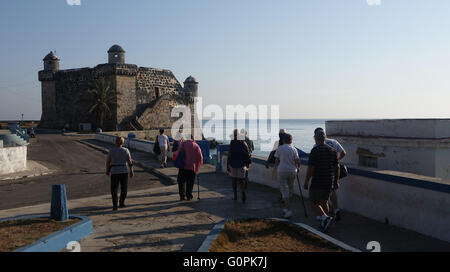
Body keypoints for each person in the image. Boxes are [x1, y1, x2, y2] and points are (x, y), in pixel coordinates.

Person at [304, 129, 339, 232]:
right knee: (324, 201)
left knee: (313, 202)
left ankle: (325, 218)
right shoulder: (332, 150)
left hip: (318, 181)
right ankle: (326, 221)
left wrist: (306, 181)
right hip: (329, 181)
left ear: (315, 138)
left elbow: (311, 168)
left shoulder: (315, 150)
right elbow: (337, 167)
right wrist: (336, 181)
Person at [313, 128, 346, 221]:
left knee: (321, 193)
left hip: (322, 172)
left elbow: (314, 160)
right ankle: (336, 210)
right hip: (334, 170)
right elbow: (343, 153)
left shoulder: (316, 144)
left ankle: (323, 215)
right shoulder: (334, 142)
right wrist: (337, 160)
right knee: (332, 192)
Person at [274, 134, 300, 218]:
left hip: (282, 171)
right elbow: (297, 161)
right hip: (292, 171)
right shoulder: (294, 149)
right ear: (291, 140)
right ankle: (286, 207)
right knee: (290, 189)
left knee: (284, 190)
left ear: (283, 140)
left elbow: (277, 160)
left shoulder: (280, 148)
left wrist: (275, 169)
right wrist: (298, 168)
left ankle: (288, 210)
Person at [106, 136, 134, 211]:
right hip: (124, 170)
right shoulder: (126, 150)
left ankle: (115, 205)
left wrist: (107, 170)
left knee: (114, 189)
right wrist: (131, 171)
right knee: (124, 187)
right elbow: (130, 162)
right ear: (123, 142)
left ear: (115, 142)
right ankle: (121, 203)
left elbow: (108, 162)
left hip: (114, 170)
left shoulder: (111, 151)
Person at [227, 129, 251, 202]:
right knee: (241, 180)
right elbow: (247, 154)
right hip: (241, 164)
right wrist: (248, 164)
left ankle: (235, 196)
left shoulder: (232, 143)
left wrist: (227, 164)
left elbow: (229, 154)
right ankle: (243, 192)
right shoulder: (243, 143)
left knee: (234, 180)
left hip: (233, 163)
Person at [177, 135, 203, 201]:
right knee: (190, 182)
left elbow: (178, 153)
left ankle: (182, 196)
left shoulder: (183, 144)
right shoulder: (196, 146)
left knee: (181, 181)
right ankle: (189, 195)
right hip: (192, 168)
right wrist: (198, 165)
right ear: (193, 138)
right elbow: (200, 158)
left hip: (183, 166)